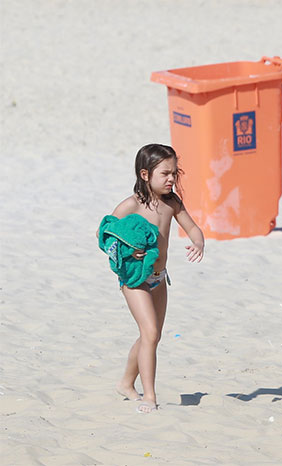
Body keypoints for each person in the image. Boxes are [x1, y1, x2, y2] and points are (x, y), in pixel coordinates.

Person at [102, 144, 204, 413]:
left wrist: (198, 242)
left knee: (151, 336)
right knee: (150, 332)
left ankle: (126, 383)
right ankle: (149, 396)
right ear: (145, 174)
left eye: (174, 174)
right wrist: (126, 251)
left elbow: (193, 227)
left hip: (160, 278)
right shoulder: (131, 205)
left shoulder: (172, 203)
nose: (172, 179)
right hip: (135, 279)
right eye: (165, 174)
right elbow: (106, 235)